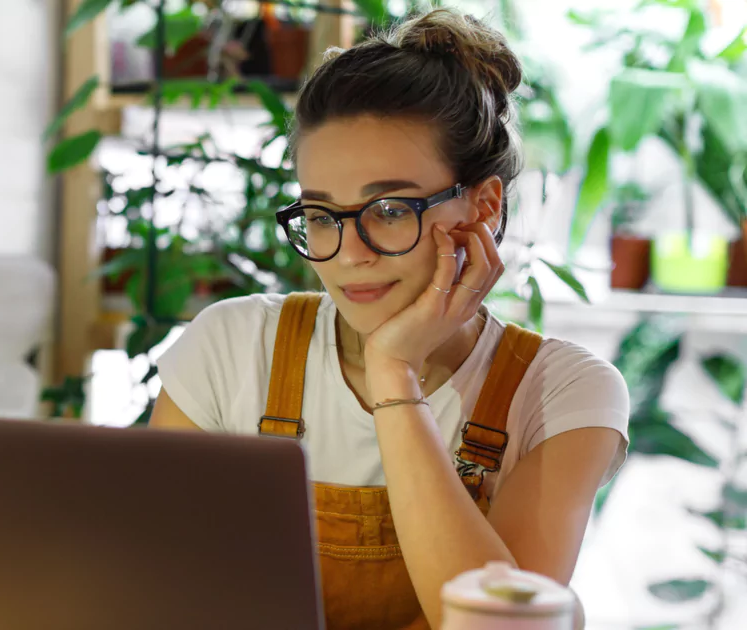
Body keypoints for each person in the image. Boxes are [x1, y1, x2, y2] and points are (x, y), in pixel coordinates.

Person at [150, 8, 629, 630]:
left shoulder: (562, 394)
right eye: (322, 216)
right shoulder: (233, 346)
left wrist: (394, 375)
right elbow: (149, 585)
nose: (349, 253)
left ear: (483, 206)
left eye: (389, 209)